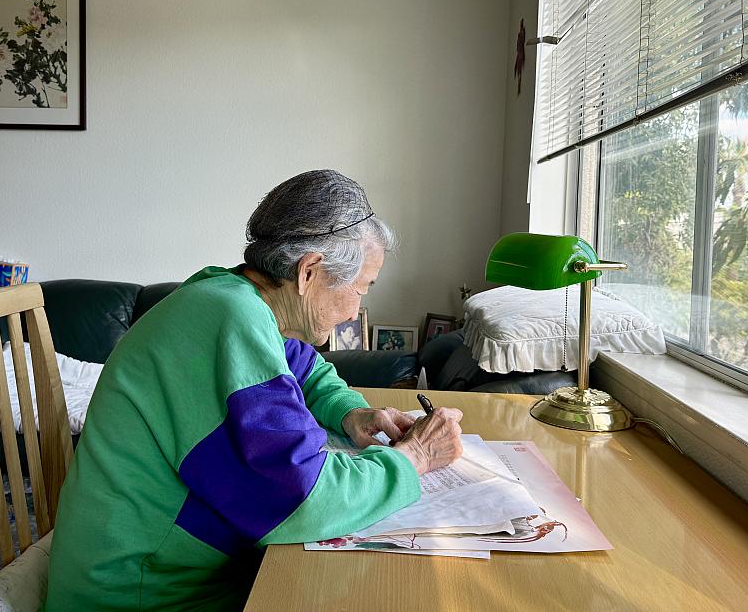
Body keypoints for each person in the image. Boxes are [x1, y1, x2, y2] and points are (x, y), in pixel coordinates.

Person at [45, 170, 463, 612]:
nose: (355, 310)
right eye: (361, 288)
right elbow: (301, 500)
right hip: (140, 593)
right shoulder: (230, 318)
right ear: (309, 272)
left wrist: (350, 412)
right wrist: (414, 458)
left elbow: (303, 368)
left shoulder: (231, 294)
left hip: (171, 570)